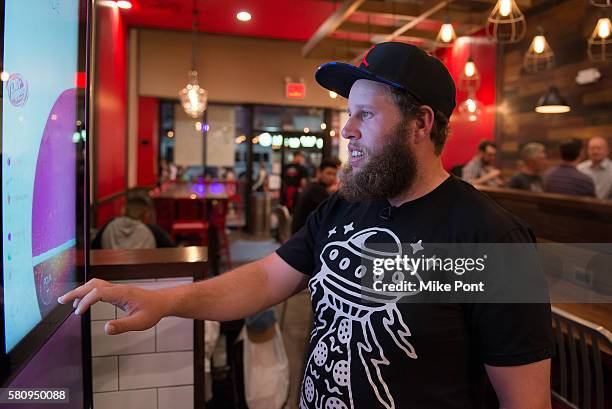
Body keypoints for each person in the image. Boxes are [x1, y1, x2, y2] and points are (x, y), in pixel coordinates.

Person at [60, 42, 552, 409]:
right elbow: (266, 278)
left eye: (364, 114)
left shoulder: (490, 238)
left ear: (421, 123)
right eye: (347, 113)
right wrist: (165, 301)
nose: (347, 130)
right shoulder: (344, 207)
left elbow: (525, 401)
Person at [92, 196, 175, 249]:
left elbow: (93, 248)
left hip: (108, 274)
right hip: (143, 274)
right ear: (146, 213)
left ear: (124, 210)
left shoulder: (109, 225)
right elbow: (173, 250)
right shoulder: (153, 231)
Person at [291, 157, 341, 233]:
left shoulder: (313, 186)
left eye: (334, 174)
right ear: (319, 172)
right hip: (304, 236)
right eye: (328, 173)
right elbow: (334, 211)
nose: (332, 177)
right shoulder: (316, 190)